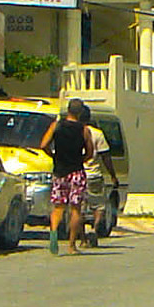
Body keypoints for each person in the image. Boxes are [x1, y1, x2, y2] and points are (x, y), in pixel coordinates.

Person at [40, 98, 97, 254]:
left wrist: (53, 155)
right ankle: (71, 245)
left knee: (58, 207)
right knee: (76, 209)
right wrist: (81, 159)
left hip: (59, 171)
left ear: (68, 110)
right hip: (76, 172)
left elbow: (43, 144)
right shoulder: (84, 130)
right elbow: (90, 152)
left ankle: (53, 232)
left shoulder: (56, 126)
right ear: (80, 112)